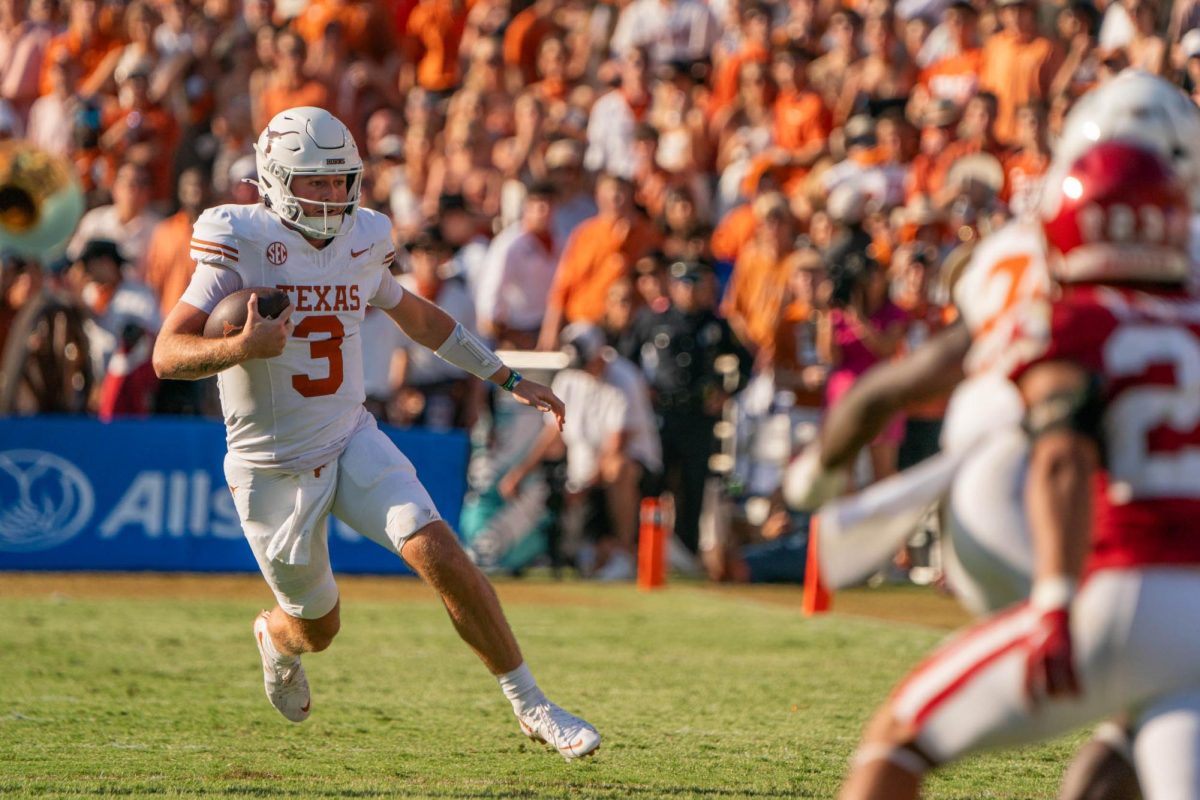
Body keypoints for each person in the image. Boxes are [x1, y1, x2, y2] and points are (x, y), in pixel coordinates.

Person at [788, 72, 1200, 800]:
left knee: (903, 735)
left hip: (1067, 530)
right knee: (1138, 730)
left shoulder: (1053, 291)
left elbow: (1054, 447)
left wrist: (815, 480)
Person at [151, 107, 600, 760]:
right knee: (318, 627)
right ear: (276, 180)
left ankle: (532, 705)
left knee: (439, 550)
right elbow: (167, 354)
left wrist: (507, 378)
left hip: (350, 434)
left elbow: (418, 317)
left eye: (341, 181)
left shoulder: (364, 237)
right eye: (317, 183)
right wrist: (242, 348)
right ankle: (276, 641)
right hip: (271, 467)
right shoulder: (238, 238)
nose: (334, 197)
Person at [499, 322, 662, 581]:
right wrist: (520, 473)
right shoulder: (569, 379)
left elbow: (615, 447)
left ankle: (623, 551)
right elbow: (552, 436)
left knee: (618, 467)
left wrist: (583, 489)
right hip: (582, 475)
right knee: (548, 484)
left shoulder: (625, 379)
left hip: (630, 475)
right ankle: (547, 551)